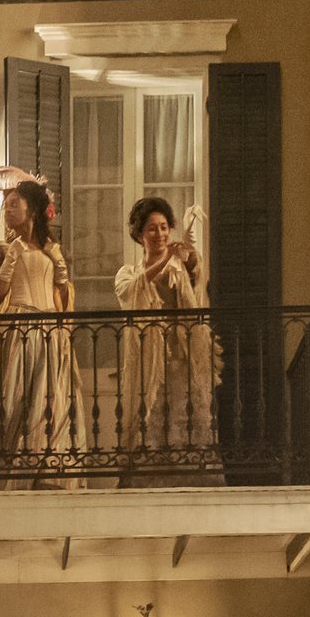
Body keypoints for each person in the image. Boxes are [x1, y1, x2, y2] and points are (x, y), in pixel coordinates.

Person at [0, 177, 76, 471]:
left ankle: (45, 470)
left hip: (50, 333)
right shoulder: (0, 249)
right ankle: (8, 469)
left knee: (48, 403)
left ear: (33, 209)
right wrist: (9, 262)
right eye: (6, 206)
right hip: (18, 331)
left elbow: (64, 302)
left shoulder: (52, 250)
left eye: (14, 204)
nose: (8, 211)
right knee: (14, 400)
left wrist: (62, 275)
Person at [113, 195, 215, 464]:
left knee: (184, 414)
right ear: (140, 234)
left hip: (181, 355)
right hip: (148, 358)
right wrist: (167, 259)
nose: (159, 234)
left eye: (163, 227)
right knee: (149, 413)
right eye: (151, 228)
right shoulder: (128, 272)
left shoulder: (179, 266)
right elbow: (131, 290)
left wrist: (190, 257)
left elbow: (196, 282)